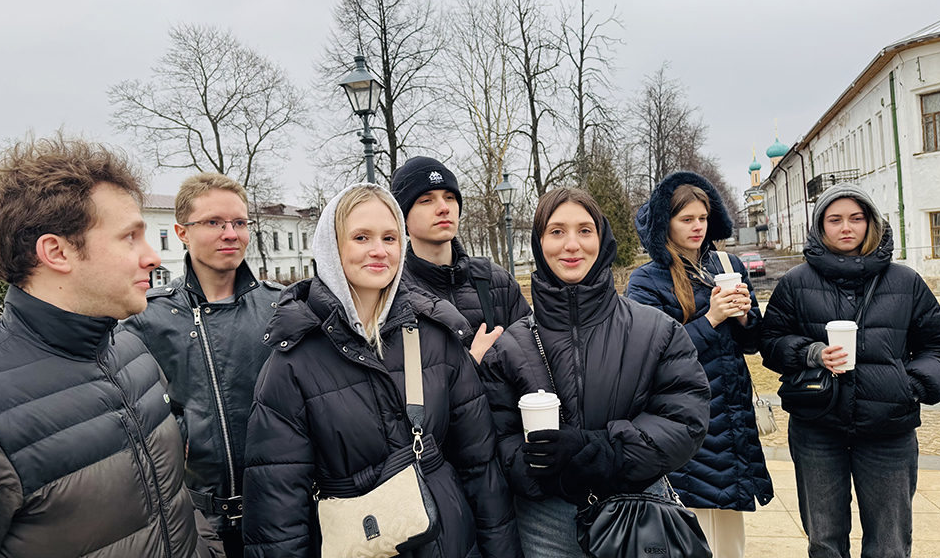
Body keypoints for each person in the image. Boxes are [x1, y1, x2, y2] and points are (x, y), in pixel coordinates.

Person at [0, 135, 223, 557]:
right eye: (130, 237)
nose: (152, 256)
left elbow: (173, 498)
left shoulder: (133, 353)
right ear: (56, 252)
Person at [242, 183, 521, 558]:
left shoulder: (436, 336)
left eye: (390, 237)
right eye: (361, 237)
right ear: (332, 246)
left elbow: (480, 469)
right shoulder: (291, 363)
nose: (379, 250)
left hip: (451, 541)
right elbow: (277, 515)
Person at [478, 187, 711, 557]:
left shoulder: (657, 330)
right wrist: (544, 471)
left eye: (585, 231)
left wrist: (605, 451)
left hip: (638, 510)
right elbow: (498, 439)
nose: (572, 245)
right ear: (539, 243)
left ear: (602, 240)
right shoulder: (509, 347)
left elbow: (685, 420)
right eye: (557, 231)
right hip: (545, 523)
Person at [759, 183, 940, 558]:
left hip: (888, 431)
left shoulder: (905, 282)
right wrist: (812, 353)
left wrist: (909, 386)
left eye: (856, 218)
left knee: (890, 544)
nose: (846, 227)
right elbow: (770, 342)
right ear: (820, 226)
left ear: (871, 223)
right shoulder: (796, 282)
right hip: (817, 427)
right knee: (824, 541)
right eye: (835, 219)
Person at [123, 173, 283, 557]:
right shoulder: (147, 318)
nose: (231, 234)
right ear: (182, 232)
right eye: (214, 222)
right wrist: (183, 433)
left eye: (239, 223)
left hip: (280, 511)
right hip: (195, 522)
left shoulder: (281, 307)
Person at [626, 171, 772, 557]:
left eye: (703, 218)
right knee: (691, 531)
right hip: (682, 418)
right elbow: (650, 357)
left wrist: (744, 316)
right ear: (666, 223)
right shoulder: (646, 281)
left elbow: (751, 344)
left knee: (730, 539)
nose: (697, 227)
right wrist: (712, 319)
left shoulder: (727, 264)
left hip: (732, 417)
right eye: (686, 219)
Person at [391, 156, 531, 362]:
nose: (444, 208)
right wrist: (473, 362)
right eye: (426, 200)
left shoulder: (498, 281)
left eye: (449, 197)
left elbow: (533, 360)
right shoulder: (393, 294)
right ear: (403, 218)